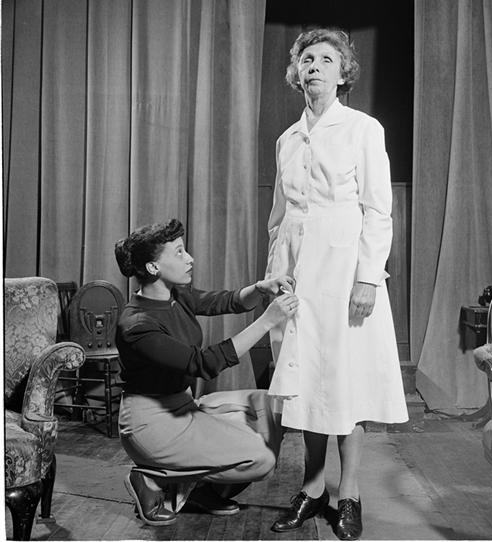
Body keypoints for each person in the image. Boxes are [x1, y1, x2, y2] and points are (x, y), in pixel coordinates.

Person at [264, 28, 409, 541]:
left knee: (347, 382)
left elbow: (378, 210)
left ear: (343, 73)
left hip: (346, 271)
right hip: (298, 274)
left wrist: (368, 278)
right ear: (296, 72)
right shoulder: (287, 139)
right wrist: (274, 273)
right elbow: (278, 217)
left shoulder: (363, 129)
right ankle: (312, 489)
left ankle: (349, 493)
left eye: (327, 59)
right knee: (306, 381)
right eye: (307, 58)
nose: (315, 67)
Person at [114, 218, 298, 526]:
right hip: (152, 424)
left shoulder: (176, 295)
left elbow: (224, 301)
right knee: (262, 460)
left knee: (273, 404)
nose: (190, 259)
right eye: (179, 252)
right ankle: (150, 478)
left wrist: (260, 289)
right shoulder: (136, 325)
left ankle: (196, 491)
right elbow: (203, 364)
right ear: (153, 267)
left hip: (184, 406)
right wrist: (267, 321)